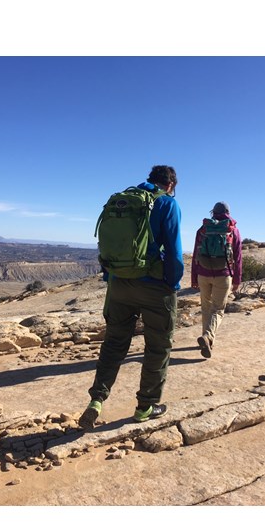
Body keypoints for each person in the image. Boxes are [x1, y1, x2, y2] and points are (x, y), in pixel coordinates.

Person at [79, 165, 184, 429]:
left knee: (114, 344)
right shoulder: (167, 203)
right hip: (154, 287)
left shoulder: (122, 200)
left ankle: (97, 400)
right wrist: (172, 283)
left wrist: (111, 277)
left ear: (149, 179)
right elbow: (174, 251)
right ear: (171, 184)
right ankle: (145, 407)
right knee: (158, 347)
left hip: (119, 285)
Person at [191, 201, 242, 358]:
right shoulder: (232, 230)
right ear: (228, 212)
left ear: (212, 212)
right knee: (218, 309)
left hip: (203, 274)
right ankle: (208, 336)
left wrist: (194, 277)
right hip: (223, 274)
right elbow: (238, 257)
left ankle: (207, 341)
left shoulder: (203, 229)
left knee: (206, 307)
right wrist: (237, 280)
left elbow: (195, 255)